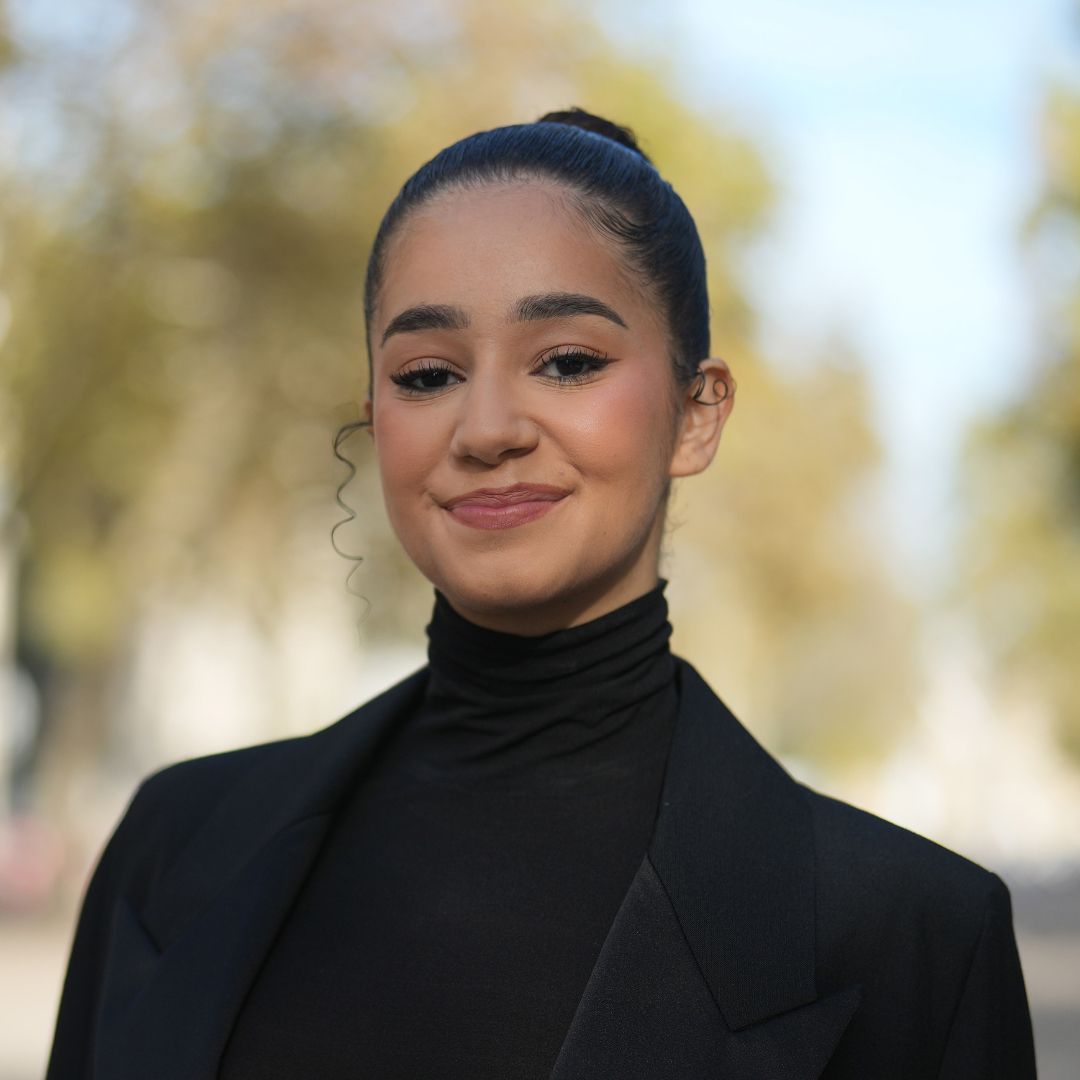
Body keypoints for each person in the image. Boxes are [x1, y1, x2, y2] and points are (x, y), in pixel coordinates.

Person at [46, 109, 1036, 1079]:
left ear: (697, 414)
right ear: (376, 417)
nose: (486, 429)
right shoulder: (173, 855)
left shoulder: (911, 937)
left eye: (567, 362)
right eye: (428, 374)